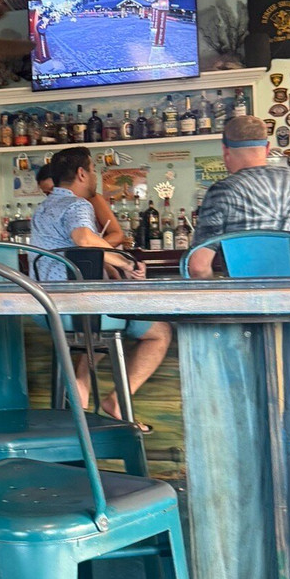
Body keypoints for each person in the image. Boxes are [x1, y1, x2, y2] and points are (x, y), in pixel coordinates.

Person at [30, 146, 172, 423]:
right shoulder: (77, 205)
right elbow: (83, 239)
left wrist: (111, 263)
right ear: (82, 173)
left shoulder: (42, 209)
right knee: (160, 332)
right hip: (78, 308)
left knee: (95, 328)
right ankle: (117, 403)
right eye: (94, 170)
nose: (95, 176)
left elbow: (75, 249)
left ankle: (80, 391)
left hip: (46, 309)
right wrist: (126, 263)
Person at [188, 115, 290, 279]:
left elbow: (199, 267)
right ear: (267, 147)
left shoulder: (222, 191)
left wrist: (219, 293)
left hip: (253, 292)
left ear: (225, 150)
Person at [38, 163, 124, 246]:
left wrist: (93, 249)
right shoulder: (46, 209)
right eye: (47, 193)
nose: (54, 195)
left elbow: (117, 235)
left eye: (54, 190)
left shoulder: (91, 199)